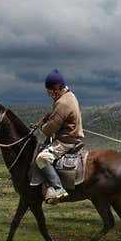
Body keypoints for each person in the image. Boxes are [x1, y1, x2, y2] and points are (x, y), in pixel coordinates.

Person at [35, 69, 84, 204]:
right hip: (73, 137)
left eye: (49, 90)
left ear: (56, 88)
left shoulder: (62, 102)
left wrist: (42, 126)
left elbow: (50, 129)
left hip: (66, 141)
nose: (48, 93)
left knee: (42, 158)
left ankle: (58, 188)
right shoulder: (70, 96)